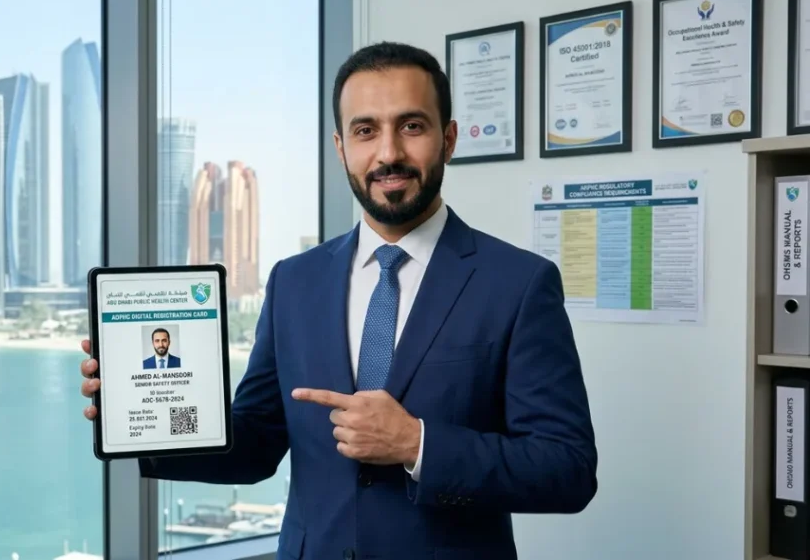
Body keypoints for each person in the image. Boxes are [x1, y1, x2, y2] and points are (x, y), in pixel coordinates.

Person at [80, 41, 597, 559]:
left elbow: (567, 468)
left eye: (411, 126)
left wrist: (417, 444)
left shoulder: (519, 284)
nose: (388, 153)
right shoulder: (293, 282)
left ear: (448, 139)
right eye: (365, 130)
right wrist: (144, 419)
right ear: (341, 147)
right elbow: (256, 443)